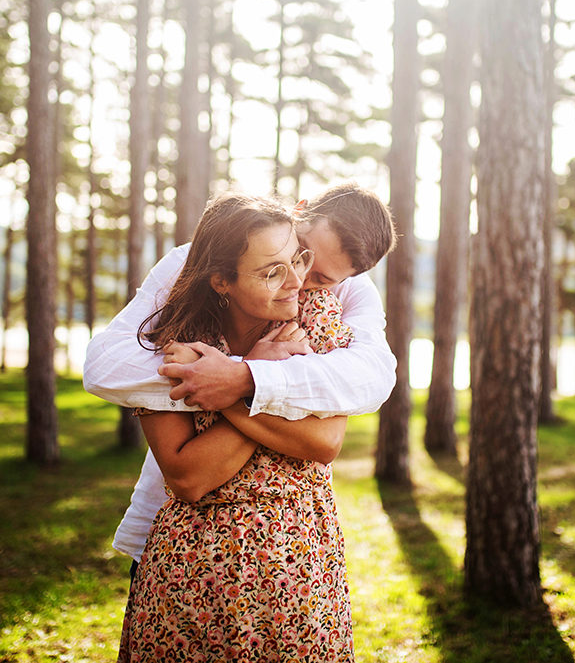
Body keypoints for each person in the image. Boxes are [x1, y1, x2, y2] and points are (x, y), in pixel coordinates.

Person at [83, 182, 397, 572]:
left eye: (321, 279)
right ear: (298, 212)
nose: (299, 282)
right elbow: (104, 365)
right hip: (171, 540)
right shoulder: (193, 263)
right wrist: (232, 369)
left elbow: (372, 379)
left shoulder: (343, 301)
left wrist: (243, 379)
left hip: (290, 556)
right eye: (301, 254)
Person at [111, 192, 366, 659]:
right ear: (222, 280)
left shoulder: (318, 320)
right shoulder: (175, 340)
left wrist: (239, 382)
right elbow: (188, 477)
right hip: (190, 576)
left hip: (299, 568)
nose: (297, 282)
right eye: (272, 271)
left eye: (297, 259)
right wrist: (257, 371)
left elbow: (324, 442)